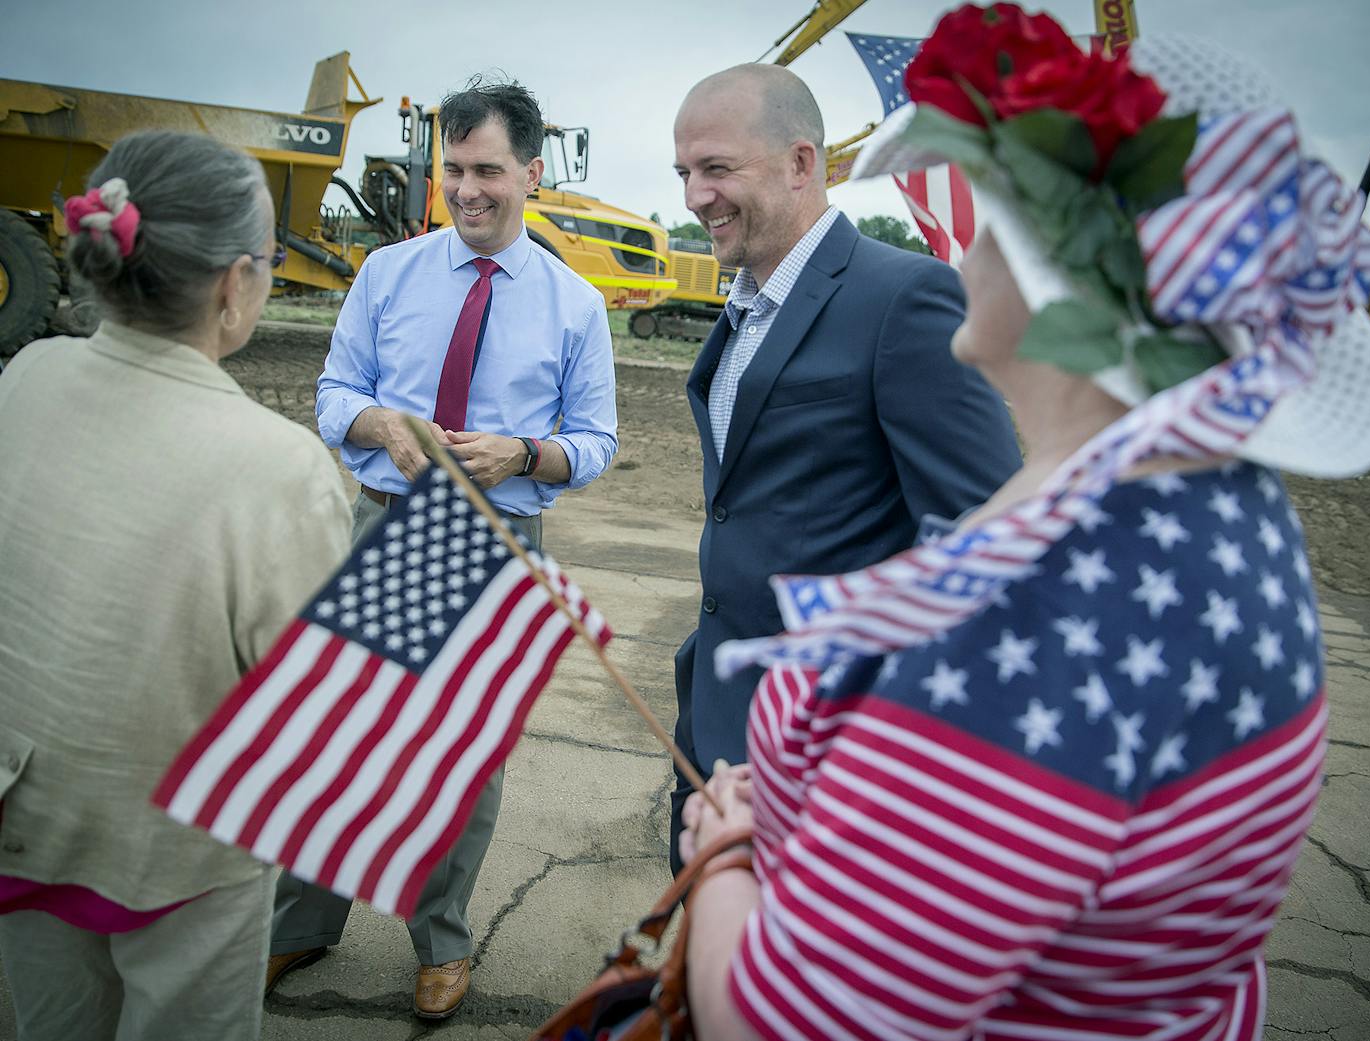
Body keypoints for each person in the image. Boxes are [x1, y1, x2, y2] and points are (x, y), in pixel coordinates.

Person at [677, 10, 1370, 1041]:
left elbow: (782, 1023)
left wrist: (724, 858)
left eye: (991, 215)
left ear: (1050, 272)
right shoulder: (1231, 506)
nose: (963, 242)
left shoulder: (1020, 613)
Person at [271, 78, 618, 1018]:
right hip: (389, 519)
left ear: (531, 174)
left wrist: (527, 451)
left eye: (488, 171)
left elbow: (597, 440)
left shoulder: (577, 303)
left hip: (499, 533)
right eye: (453, 170)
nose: (467, 190)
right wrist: (379, 421)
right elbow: (334, 391)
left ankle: (443, 940)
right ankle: (301, 923)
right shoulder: (387, 274)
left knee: (465, 748)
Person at [0, 131, 350, 1041]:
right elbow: (312, 699)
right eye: (272, 257)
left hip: (27, 816)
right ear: (236, 282)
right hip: (181, 852)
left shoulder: (25, 376)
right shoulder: (278, 463)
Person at [668, 63, 1021, 871]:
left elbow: (985, 540)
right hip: (713, 724)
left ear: (802, 164)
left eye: (717, 168)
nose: (695, 196)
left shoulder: (907, 298)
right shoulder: (744, 308)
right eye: (684, 173)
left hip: (832, 761)